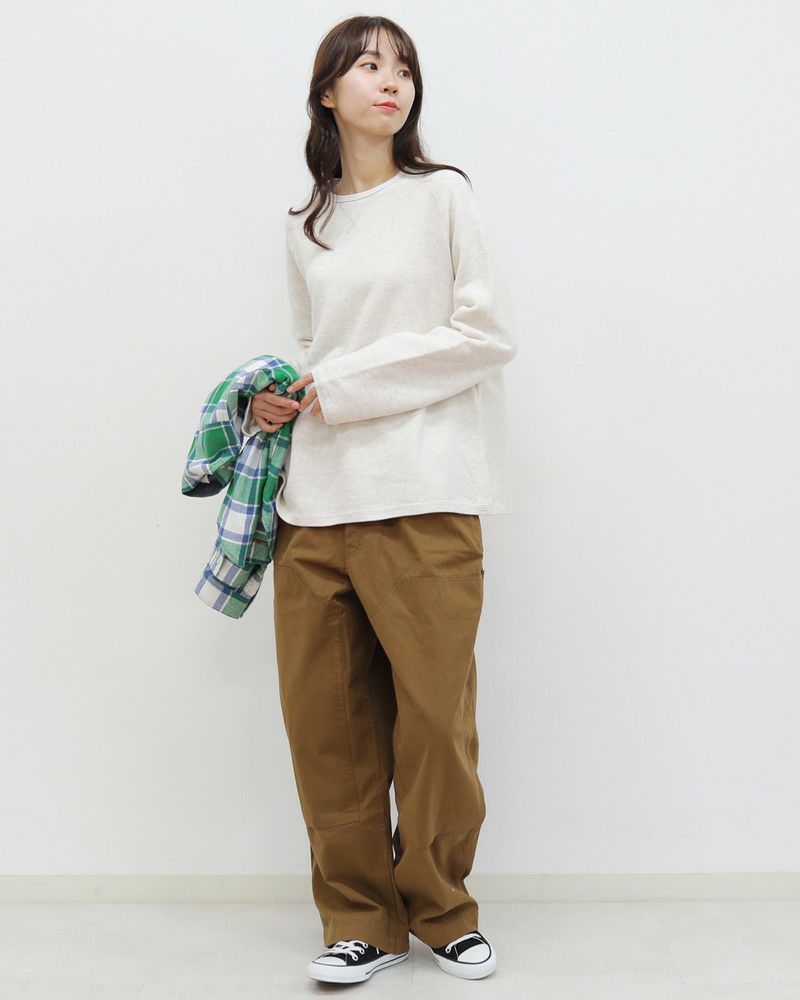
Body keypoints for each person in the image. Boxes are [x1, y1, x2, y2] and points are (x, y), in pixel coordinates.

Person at [243, 14, 516, 984]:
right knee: (329, 729)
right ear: (328, 92)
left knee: (434, 720)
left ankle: (442, 909)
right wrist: (284, 398)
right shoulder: (303, 223)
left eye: (402, 67)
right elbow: (315, 351)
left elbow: (483, 336)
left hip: (425, 490)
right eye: (366, 66)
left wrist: (341, 384)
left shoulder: (442, 197)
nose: (389, 81)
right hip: (314, 505)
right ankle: (358, 919)